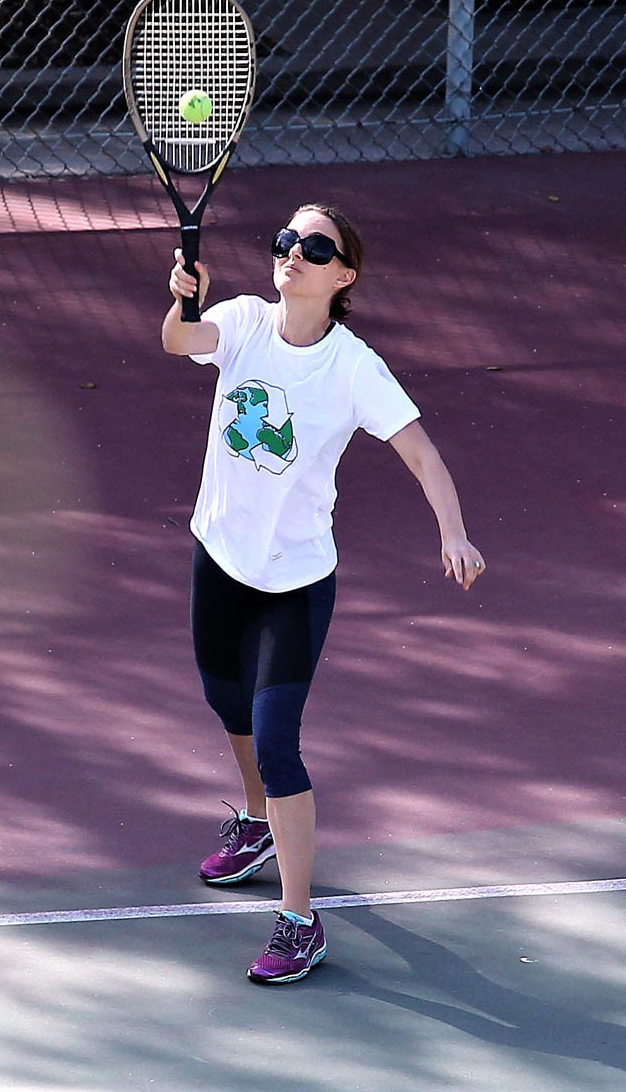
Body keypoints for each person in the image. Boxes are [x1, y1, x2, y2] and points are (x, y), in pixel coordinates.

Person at [162, 203, 485, 985]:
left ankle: (300, 921)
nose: (294, 254)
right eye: (286, 241)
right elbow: (178, 341)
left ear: (344, 276)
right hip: (219, 555)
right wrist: (182, 300)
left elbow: (421, 452)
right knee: (226, 704)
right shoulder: (242, 320)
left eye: (314, 247)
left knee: (277, 741)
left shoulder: (352, 367)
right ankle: (256, 823)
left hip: (294, 582)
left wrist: (453, 531)